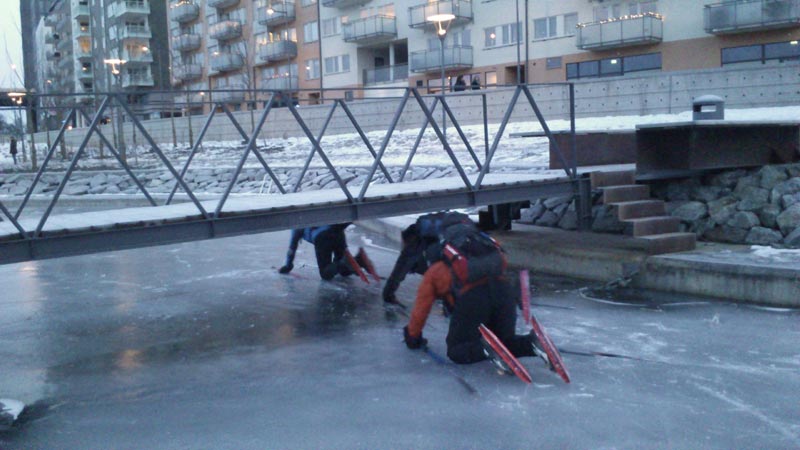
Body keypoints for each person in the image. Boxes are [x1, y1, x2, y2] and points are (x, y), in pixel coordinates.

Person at [401, 220, 544, 366]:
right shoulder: (486, 252)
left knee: (457, 351)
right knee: (504, 342)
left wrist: (412, 337)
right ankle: (531, 343)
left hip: (473, 299)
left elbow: (421, 308)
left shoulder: (437, 270)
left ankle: (486, 349)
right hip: (504, 292)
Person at [382, 211, 471, 305]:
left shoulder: (458, 224)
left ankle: (389, 293)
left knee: (404, 267)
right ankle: (388, 295)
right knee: (405, 267)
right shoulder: (464, 228)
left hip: (424, 236)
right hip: (423, 238)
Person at [278, 223, 372, 280]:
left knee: (326, 274)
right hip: (338, 233)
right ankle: (359, 260)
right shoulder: (312, 214)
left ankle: (345, 262)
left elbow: (292, 248)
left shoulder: (296, 225)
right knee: (343, 272)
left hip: (322, 237)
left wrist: (288, 265)